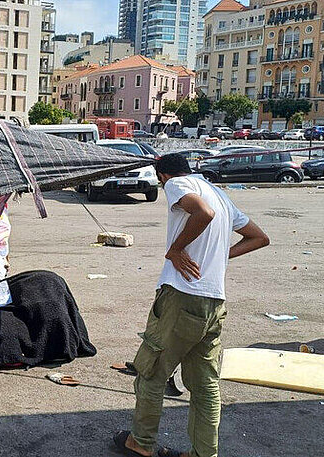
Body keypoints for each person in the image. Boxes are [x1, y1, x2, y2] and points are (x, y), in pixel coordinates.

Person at [114, 154, 269, 457]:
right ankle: (203, 453)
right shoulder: (219, 194)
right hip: (213, 301)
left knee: (151, 373)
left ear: (162, 176)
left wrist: (176, 249)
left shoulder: (177, 184)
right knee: (205, 385)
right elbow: (259, 238)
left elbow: (202, 213)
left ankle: (140, 444)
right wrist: (217, 257)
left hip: (182, 296)